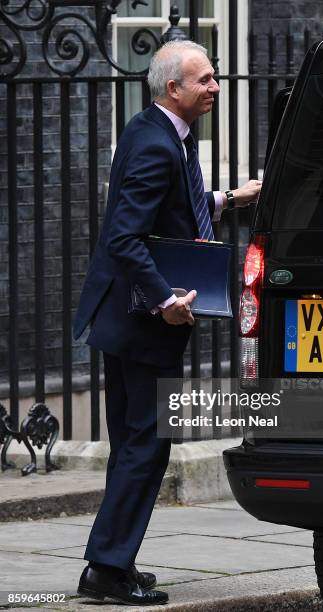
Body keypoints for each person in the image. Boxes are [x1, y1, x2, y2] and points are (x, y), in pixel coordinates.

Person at [73, 39, 262, 606]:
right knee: (147, 445)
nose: (215, 87)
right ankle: (106, 571)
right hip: (143, 323)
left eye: (215, 77)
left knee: (135, 442)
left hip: (122, 320)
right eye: (204, 80)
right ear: (172, 88)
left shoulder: (151, 130)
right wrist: (164, 301)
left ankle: (112, 561)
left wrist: (227, 198)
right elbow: (125, 237)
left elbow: (171, 209)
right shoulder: (160, 145)